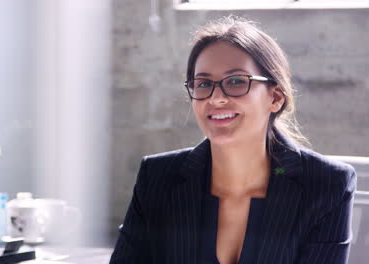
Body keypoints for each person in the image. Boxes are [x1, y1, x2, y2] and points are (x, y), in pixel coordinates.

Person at [110, 16, 356, 264]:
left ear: (275, 98)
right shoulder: (157, 177)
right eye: (204, 84)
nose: (215, 98)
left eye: (237, 81)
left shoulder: (327, 184)